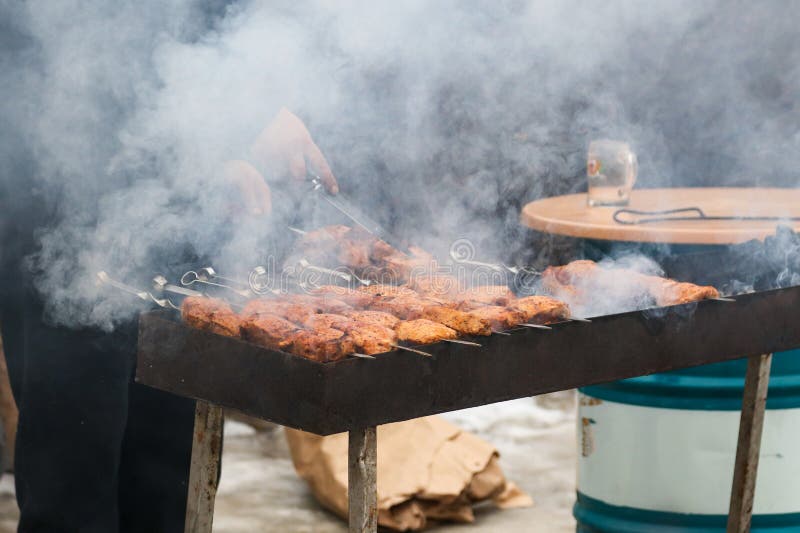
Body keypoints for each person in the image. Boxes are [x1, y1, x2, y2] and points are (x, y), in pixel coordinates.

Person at [0, 107, 337, 533]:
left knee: (163, 474)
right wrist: (214, 150)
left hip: (166, 230)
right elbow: (69, 83)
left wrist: (240, 126)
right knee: (74, 477)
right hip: (65, 229)